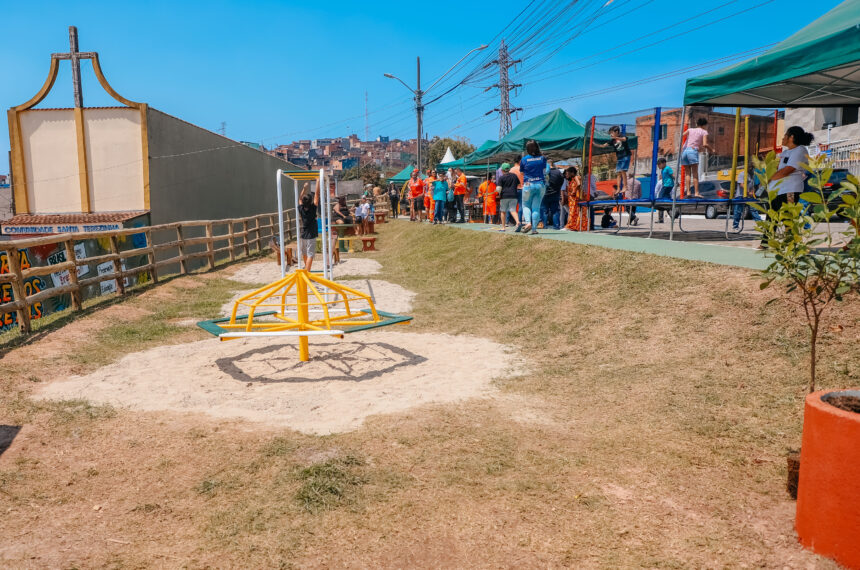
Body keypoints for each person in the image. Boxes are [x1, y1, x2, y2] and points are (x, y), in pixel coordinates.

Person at [760, 126, 813, 247]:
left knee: (788, 217)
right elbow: (778, 169)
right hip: (778, 190)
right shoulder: (784, 153)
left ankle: (791, 244)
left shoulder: (800, 150)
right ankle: (765, 242)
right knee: (771, 215)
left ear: (792, 137)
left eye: (785, 135)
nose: (783, 138)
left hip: (791, 190)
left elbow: (788, 169)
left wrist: (771, 178)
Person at [519, 141, 548, 234]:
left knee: (526, 205)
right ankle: (534, 229)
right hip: (540, 184)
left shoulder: (524, 159)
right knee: (536, 207)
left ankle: (528, 223)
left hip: (528, 184)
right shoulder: (542, 158)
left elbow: (522, 172)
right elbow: (545, 170)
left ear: (527, 149)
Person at [681, 117, 713, 198]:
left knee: (687, 173)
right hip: (693, 150)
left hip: (684, 151)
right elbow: (705, 144)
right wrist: (711, 149)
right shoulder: (704, 131)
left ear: (697, 124)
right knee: (695, 173)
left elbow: (682, 135)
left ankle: (688, 192)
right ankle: (696, 192)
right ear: (704, 125)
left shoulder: (691, 129)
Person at [599, 126, 632, 197]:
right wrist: (595, 144)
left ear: (616, 132)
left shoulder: (621, 136)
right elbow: (604, 145)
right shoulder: (612, 141)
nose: (611, 135)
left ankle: (625, 186)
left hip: (625, 155)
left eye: (612, 133)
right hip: (619, 157)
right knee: (618, 173)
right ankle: (618, 188)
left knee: (623, 171)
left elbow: (624, 139)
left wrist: (616, 138)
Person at [733, 163, 762, 230]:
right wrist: (748, 192)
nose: (751, 168)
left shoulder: (752, 175)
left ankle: (760, 224)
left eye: (752, 167)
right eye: (750, 167)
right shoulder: (742, 174)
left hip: (749, 196)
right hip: (740, 195)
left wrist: (752, 191)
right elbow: (741, 184)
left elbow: (752, 185)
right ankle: (735, 226)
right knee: (738, 211)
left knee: (754, 209)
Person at [297, 182, 319, 271]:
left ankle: (307, 269)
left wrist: (304, 188)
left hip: (303, 233)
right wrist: (318, 181)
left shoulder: (301, 208)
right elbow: (317, 195)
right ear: (311, 202)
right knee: (310, 254)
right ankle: (307, 271)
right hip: (311, 233)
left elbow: (299, 198)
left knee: (305, 253)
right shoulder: (313, 208)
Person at [497, 163, 521, 232]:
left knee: (503, 211)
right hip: (514, 195)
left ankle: (503, 227)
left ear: (502, 170)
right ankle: (518, 222)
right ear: (509, 169)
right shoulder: (514, 176)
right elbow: (519, 184)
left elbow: (499, 189)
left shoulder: (501, 178)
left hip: (504, 196)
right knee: (513, 210)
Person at [564, 166, 589, 231]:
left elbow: (579, 184)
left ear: (572, 173)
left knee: (574, 213)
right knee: (574, 213)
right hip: (572, 200)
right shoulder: (571, 180)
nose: (566, 175)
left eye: (567, 173)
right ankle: (573, 226)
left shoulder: (576, 177)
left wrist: (574, 191)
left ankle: (571, 226)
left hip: (576, 199)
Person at [542, 163, 564, 230]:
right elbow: (561, 181)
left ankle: (544, 226)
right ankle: (556, 226)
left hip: (545, 194)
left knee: (544, 211)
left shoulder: (543, 172)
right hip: (555, 193)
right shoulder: (558, 172)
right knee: (555, 211)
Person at [655, 157, 675, 223]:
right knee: (667, 200)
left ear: (664, 163)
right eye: (657, 165)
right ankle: (672, 214)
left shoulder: (667, 168)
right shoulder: (662, 170)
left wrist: (676, 181)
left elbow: (672, 175)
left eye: (659, 164)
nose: (658, 166)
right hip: (665, 185)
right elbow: (663, 178)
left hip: (668, 185)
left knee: (660, 199)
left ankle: (661, 218)